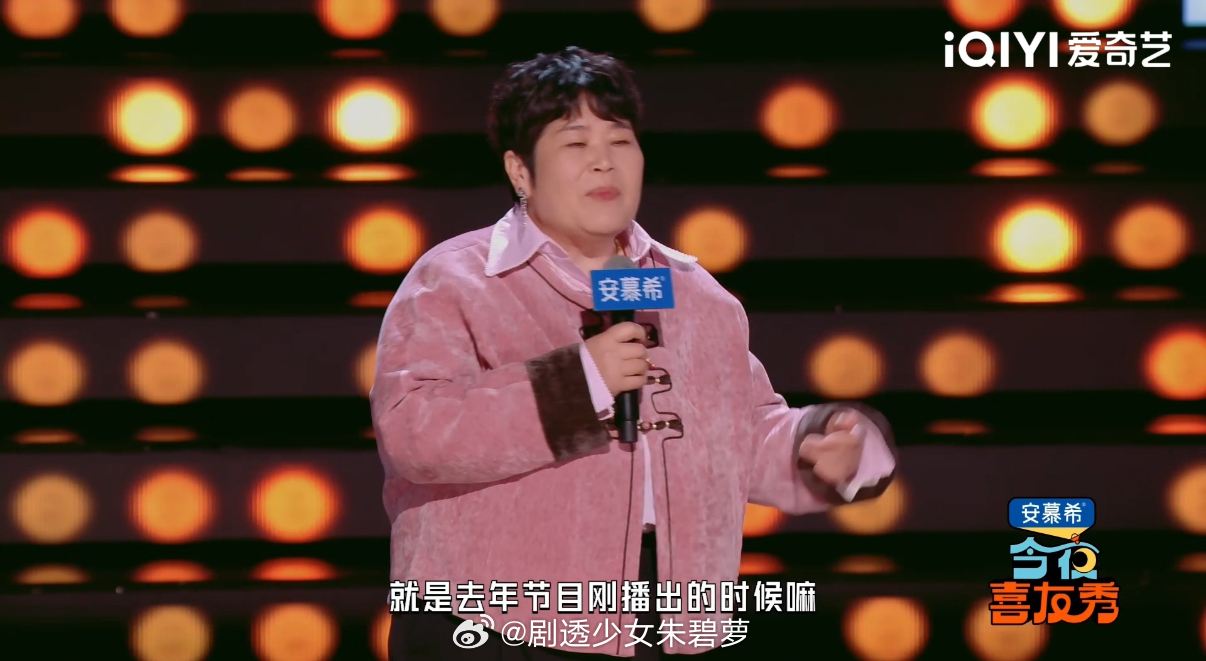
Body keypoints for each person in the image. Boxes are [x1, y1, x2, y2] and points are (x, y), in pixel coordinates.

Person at [371, 46, 898, 660]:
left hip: (661, 621)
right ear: (520, 171)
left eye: (620, 141)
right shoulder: (456, 279)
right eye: (575, 143)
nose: (604, 161)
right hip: (492, 623)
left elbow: (743, 434)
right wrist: (580, 384)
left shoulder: (697, 297)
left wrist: (824, 448)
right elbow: (414, 430)